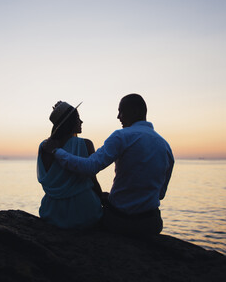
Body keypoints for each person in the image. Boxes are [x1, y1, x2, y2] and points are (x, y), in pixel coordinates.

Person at [43, 94, 174, 235]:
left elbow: (89, 167)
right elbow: (160, 194)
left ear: (135, 112)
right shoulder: (165, 146)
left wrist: (56, 151)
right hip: (150, 224)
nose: (118, 117)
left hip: (119, 221)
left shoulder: (121, 136)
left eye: (121, 111)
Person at [37, 101, 103, 229]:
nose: (81, 121)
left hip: (52, 212)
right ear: (70, 122)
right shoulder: (86, 144)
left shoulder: (44, 146)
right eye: (78, 118)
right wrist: (102, 199)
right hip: (85, 211)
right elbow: (93, 180)